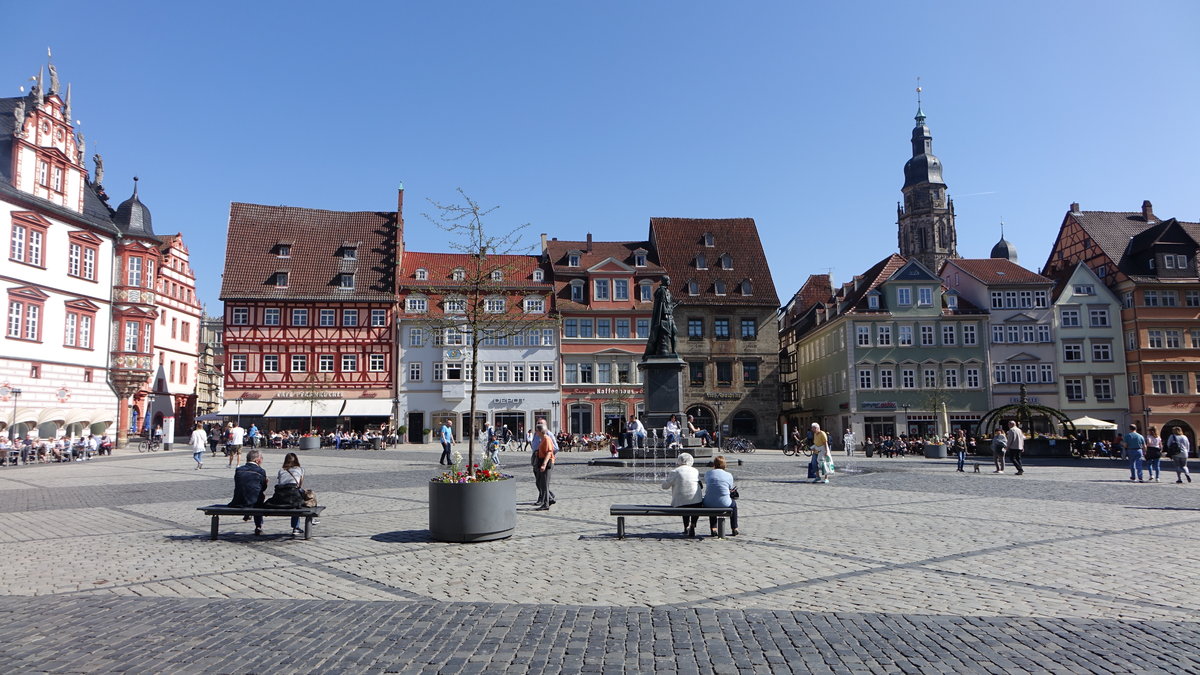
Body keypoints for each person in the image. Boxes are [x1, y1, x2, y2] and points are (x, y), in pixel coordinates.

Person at [662, 453, 703, 537]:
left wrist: (666, 481)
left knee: (683, 500)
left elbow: (665, 486)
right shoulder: (695, 471)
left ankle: (686, 527)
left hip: (680, 503)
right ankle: (693, 524)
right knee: (693, 502)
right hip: (696, 502)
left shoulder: (675, 471)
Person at [229, 449, 268, 535]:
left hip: (238, 501)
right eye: (261, 458)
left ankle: (248, 513)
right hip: (254, 502)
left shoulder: (238, 470)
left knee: (250, 492)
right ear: (257, 460)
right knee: (259, 497)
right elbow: (263, 488)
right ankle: (258, 526)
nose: (262, 460)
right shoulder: (261, 471)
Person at [265, 452, 306, 535]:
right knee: (298, 499)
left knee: (295, 499)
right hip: (293, 497)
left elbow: (280, 482)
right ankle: (296, 527)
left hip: (280, 497)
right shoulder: (300, 469)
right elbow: (300, 485)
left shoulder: (281, 470)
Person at [702, 455, 738, 537]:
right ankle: (734, 527)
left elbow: (709, 484)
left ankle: (713, 528)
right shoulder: (728, 475)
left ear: (714, 464)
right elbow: (729, 487)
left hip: (709, 502)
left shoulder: (708, 473)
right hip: (724, 502)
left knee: (712, 498)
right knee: (734, 505)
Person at [532, 419, 557, 510]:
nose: (536, 432)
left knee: (544, 483)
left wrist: (544, 464)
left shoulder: (546, 438)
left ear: (539, 431)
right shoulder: (542, 438)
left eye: (537, 430)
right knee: (541, 483)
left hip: (547, 462)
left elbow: (549, 452)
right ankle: (549, 499)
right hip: (540, 461)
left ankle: (546, 504)